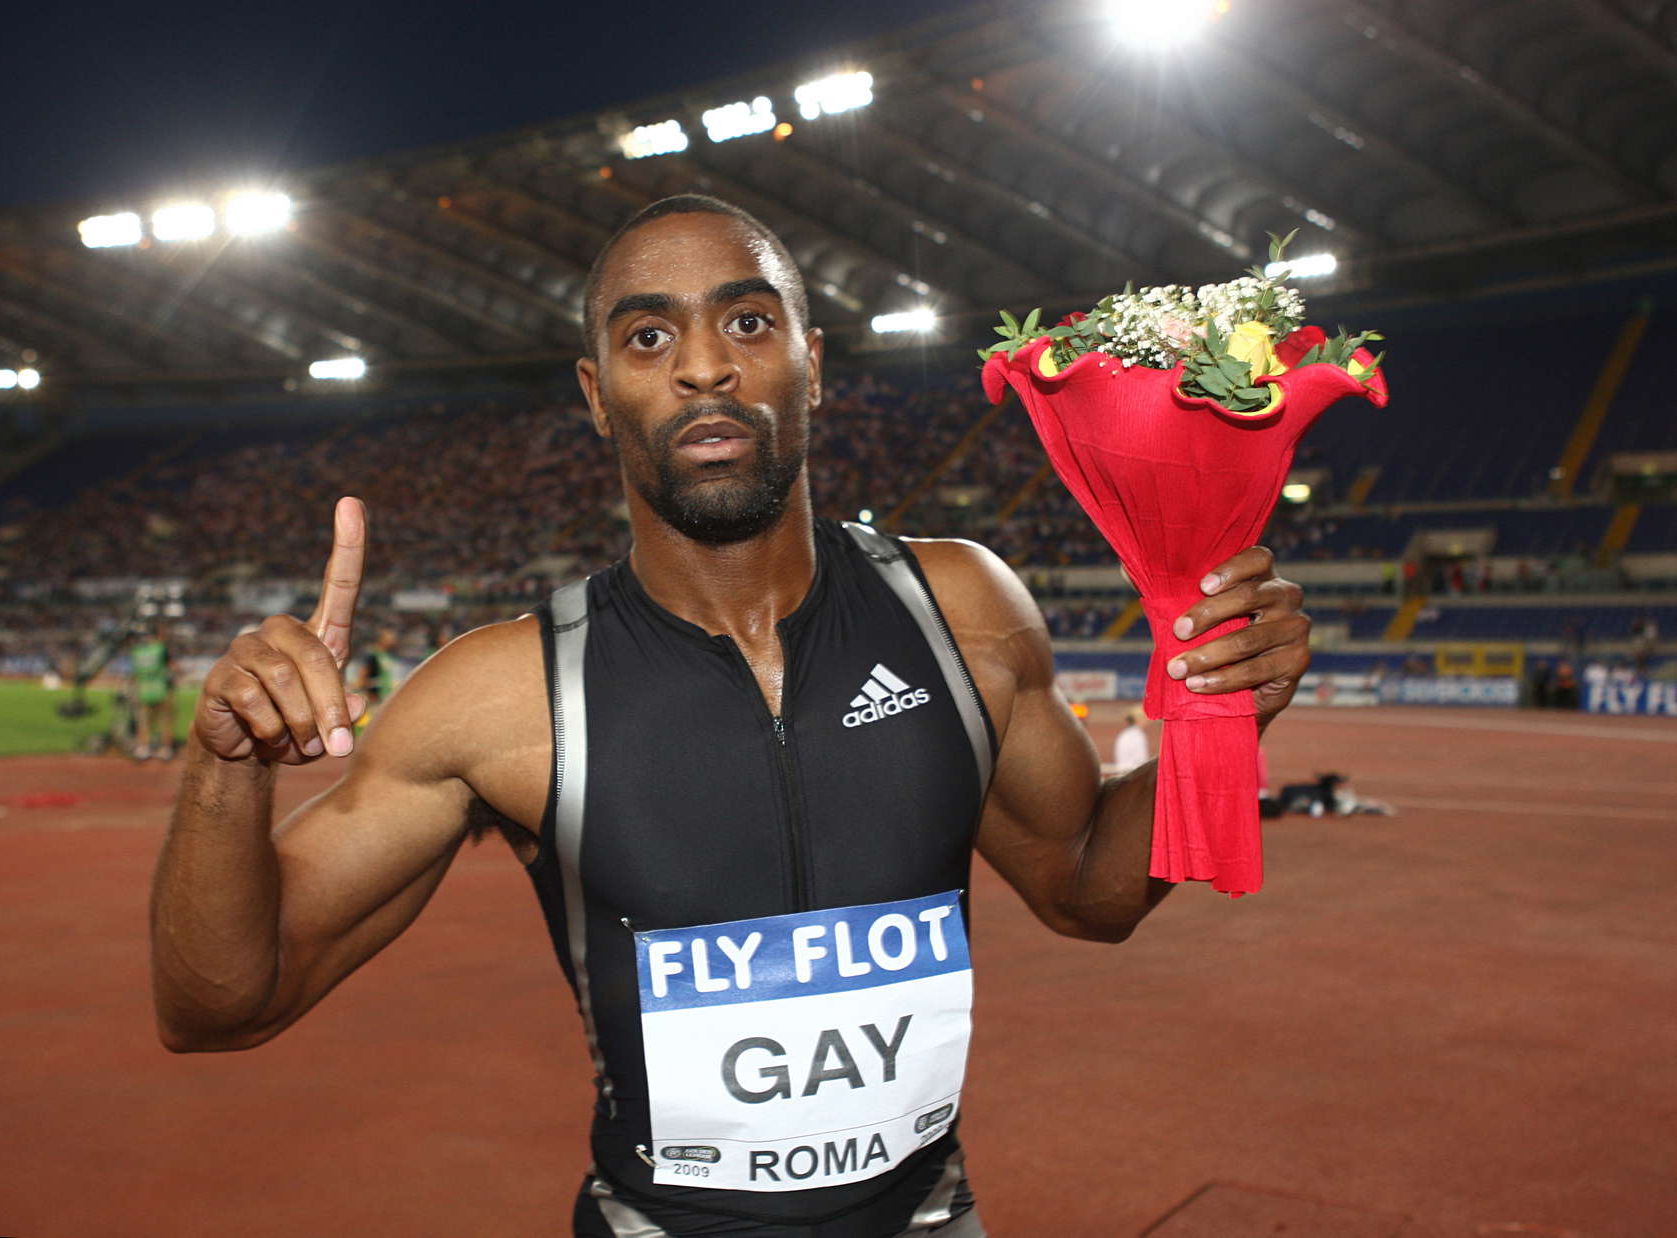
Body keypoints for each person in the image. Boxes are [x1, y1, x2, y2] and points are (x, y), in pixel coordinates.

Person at [150, 196, 1312, 1238]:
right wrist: (224, 765)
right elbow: (221, 1002)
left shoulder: (964, 611)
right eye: (649, 337)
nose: (704, 366)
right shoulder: (502, 696)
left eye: (748, 323)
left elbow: (1089, 887)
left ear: (813, 360)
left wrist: (1224, 712)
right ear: (597, 396)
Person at [128, 620, 175, 761]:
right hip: (162, 689)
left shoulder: (136, 651)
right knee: (165, 721)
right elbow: (171, 666)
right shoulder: (160, 648)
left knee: (143, 722)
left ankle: (144, 748)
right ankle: (165, 749)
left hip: (143, 690)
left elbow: (134, 673)